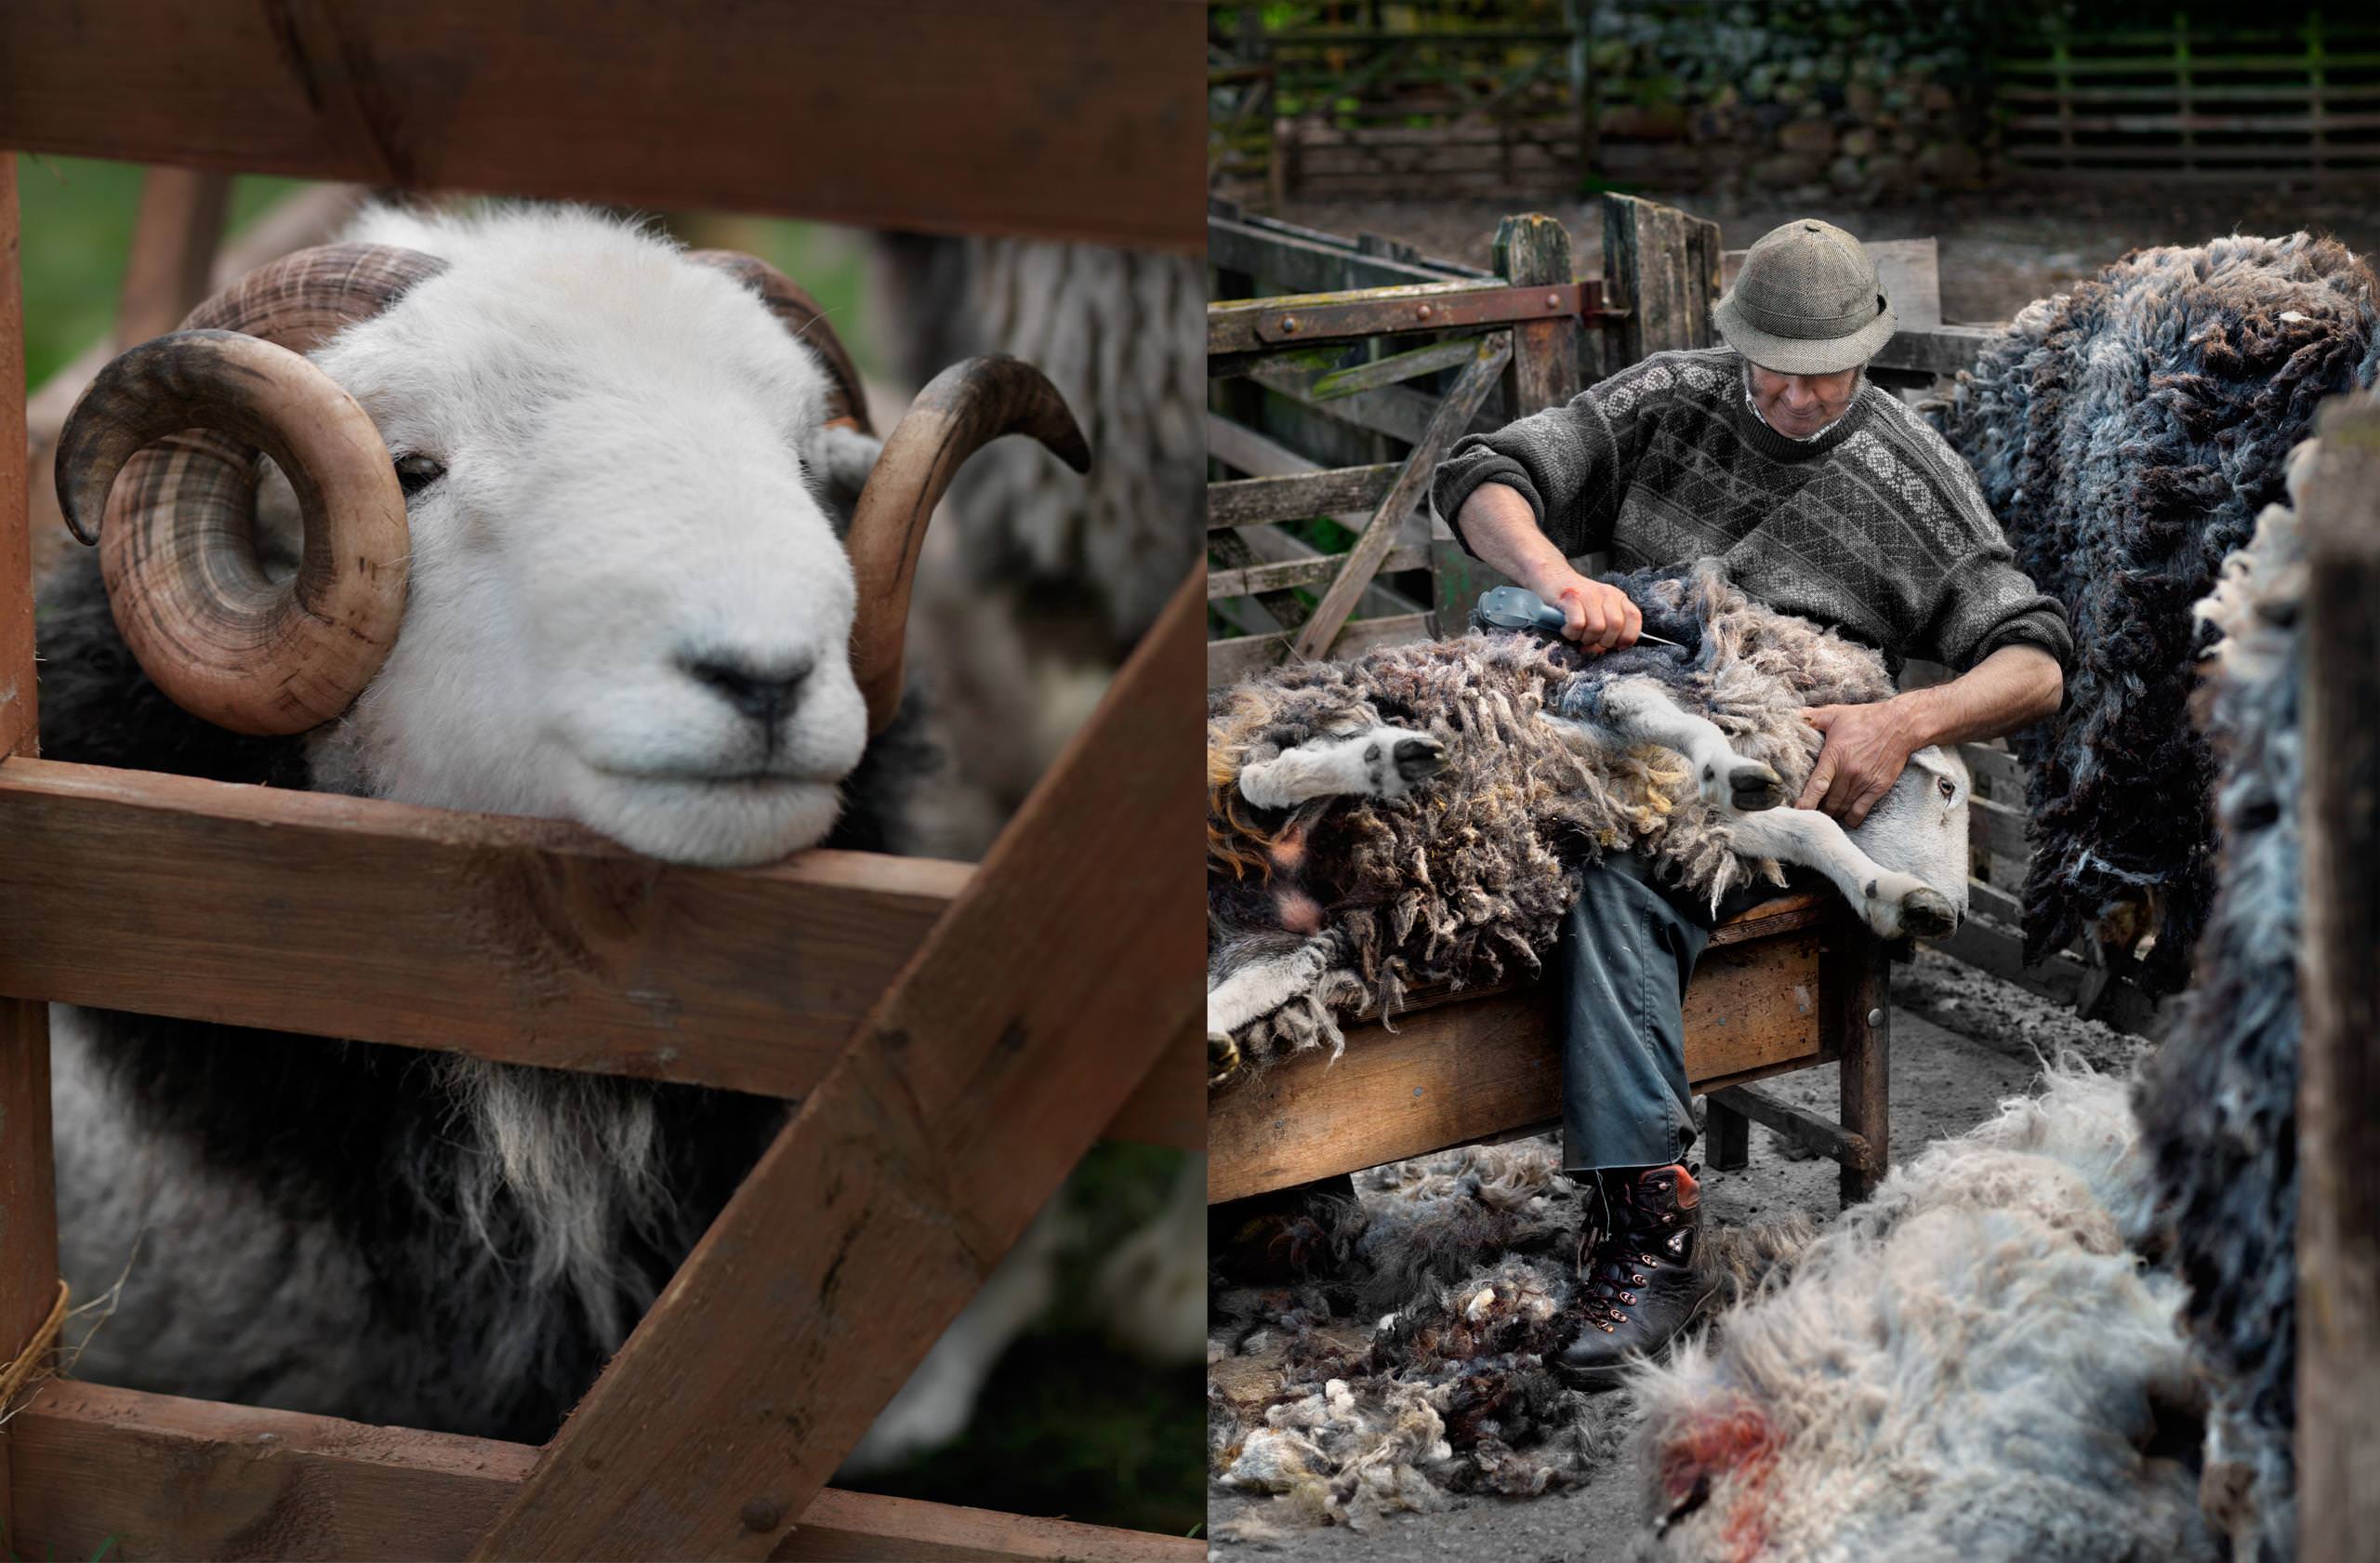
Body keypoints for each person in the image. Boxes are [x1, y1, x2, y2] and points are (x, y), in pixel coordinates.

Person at [1428, 218, 2069, 1385]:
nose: (1787, 392)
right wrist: (1561, 579)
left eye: (1817, 372)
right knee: (1407, 827)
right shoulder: (1673, 396)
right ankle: (1288, 1181)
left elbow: (2034, 658)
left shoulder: (1909, 476)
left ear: (1864, 353)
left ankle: (1650, 1232)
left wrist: (1905, 720)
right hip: (1608, 706)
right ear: (1736, 341)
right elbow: (1484, 475)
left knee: (1623, 874)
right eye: (1768, 364)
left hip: (1765, 761)